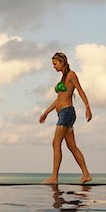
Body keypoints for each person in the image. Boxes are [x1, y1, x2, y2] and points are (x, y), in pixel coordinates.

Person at [39, 52, 92, 184]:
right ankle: (86, 174)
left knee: (56, 143)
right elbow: (58, 99)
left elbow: (80, 90)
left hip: (66, 113)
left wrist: (87, 107)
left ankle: (54, 177)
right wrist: (46, 112)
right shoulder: (63, 78)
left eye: (55, 64)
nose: (54, 66)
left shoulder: (71, 75)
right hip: (64, 113)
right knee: (72, 146)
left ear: (62, 62)